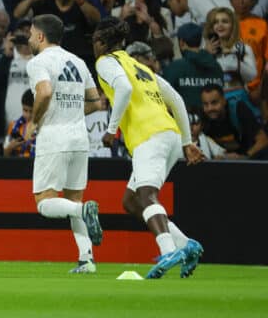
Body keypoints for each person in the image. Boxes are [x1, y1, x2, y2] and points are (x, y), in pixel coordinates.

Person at [92, 16, 205, 279]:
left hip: (148, 135)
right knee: (131, 201)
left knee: (146, 195)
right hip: (170, 136)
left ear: (100, 42)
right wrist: (187, 143)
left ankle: (167, 251)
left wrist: (111, 130)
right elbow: (175, 99)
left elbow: (122, 88)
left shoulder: (105, 62)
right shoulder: (139, 66)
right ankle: (187, 245)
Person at [25, 14, 105, 273]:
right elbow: (96, 102)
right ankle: (86, 260)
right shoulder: (79, 62)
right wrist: (68, 112)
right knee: (72, 198)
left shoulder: (38, 62)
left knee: (45, 203)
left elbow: (45, 91)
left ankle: (85, 210)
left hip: (54, 138)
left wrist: (34, 122)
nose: (28, 38)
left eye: (30, 34)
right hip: (80, 139)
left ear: (40, 36)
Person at [13, 0, 100, 67]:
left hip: (78, 60)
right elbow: (17, 14)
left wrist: (80, 0)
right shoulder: (43, 4)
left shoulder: (82, 4)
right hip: (49, 61)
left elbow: (96, 19)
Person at [162, 23, 225, 115]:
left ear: (181, 43)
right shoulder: (216, 66)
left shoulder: (174, 68)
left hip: (186, 124)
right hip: (215, 123)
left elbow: (165, 101)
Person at [198, 83, 268, 160]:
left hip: (246, 161)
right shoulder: (202, 116)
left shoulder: (238, 109)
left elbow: (263, 140)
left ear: (224, 101)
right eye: (205, 104)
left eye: (214, 103)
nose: (210, 108)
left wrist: (244, 157)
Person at [3, 89, 36, 158]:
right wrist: (10, 147)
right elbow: (4, 155)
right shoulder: (13, 126)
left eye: (31, 111)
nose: (28, 115)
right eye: (25, 110)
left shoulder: (44, 128)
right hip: (16, 166)